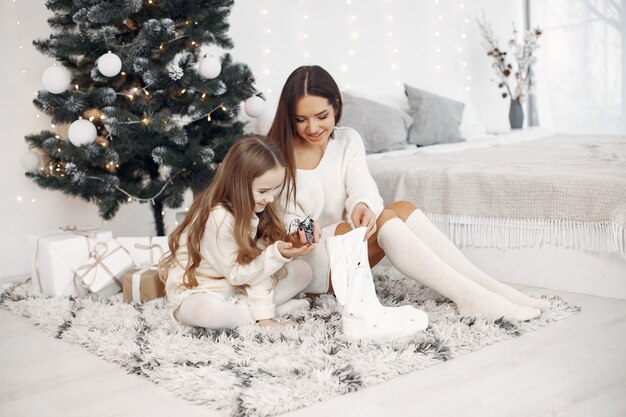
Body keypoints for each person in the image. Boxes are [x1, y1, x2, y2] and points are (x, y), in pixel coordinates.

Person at [268, 65, 550, 322]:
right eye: (301, 119)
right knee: (369, 223)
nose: (313, 128)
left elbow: (363, 188)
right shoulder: (276, 153)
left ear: (336, 107)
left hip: (344, 248)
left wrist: (362, 206)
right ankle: (471, 297)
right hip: (310, 264)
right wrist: (309, 230)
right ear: (289, 116)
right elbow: (282, 219)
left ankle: (492, 289)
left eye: (322, 116)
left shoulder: (347, 139)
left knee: (400, 208)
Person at [160, 134, 314, 329]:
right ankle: (269, 311)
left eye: (276, 189)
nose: (271, 197)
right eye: (263, 191)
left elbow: (258, 270)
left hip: (241, 285)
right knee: (206, 312)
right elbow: (238, 274)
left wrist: (280, 252)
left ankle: (253, 313)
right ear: (238, 184)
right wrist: (265, 318)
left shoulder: (261, 206)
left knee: (303, 271)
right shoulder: (218, 217)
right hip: (203, 289)